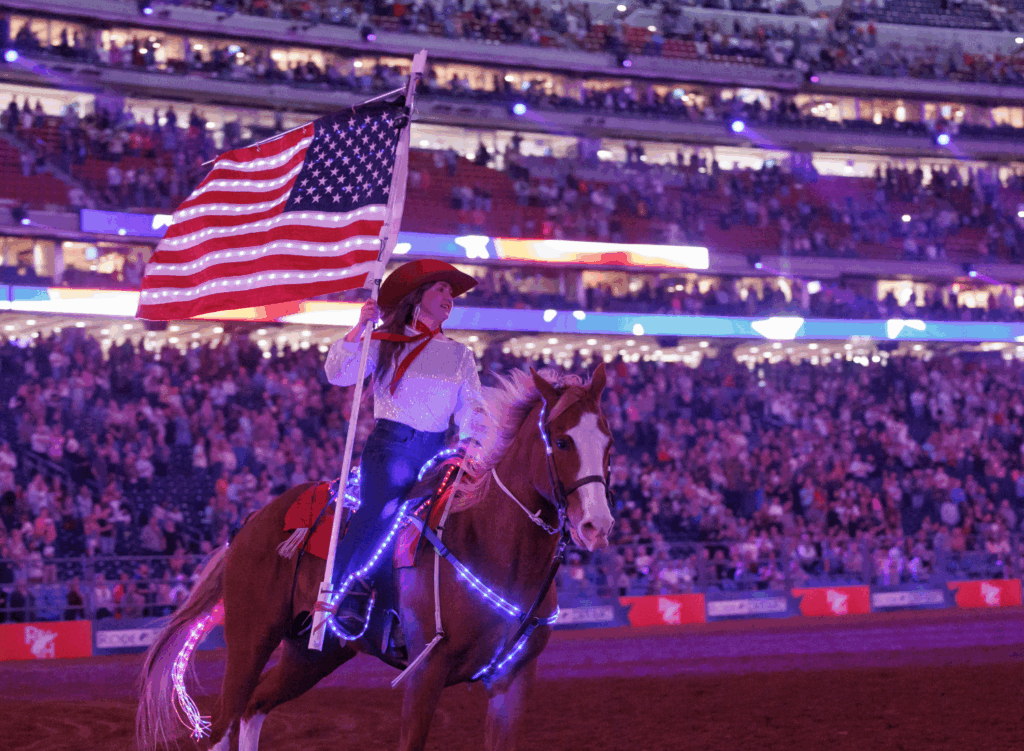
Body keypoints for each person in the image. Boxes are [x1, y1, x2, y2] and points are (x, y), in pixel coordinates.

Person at [324, 259, 482, 637]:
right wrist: (360, 327)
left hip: (437, 453)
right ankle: (350, 590)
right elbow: (338, 374)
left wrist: (469, 446)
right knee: (385, 510)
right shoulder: (383, 341)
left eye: (451, 292)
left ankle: (424, 609)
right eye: (440, 290)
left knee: (452, 523)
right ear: (418, 297)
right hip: (390, 447)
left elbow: (472, 407)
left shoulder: (460, 354)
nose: (448, 298)